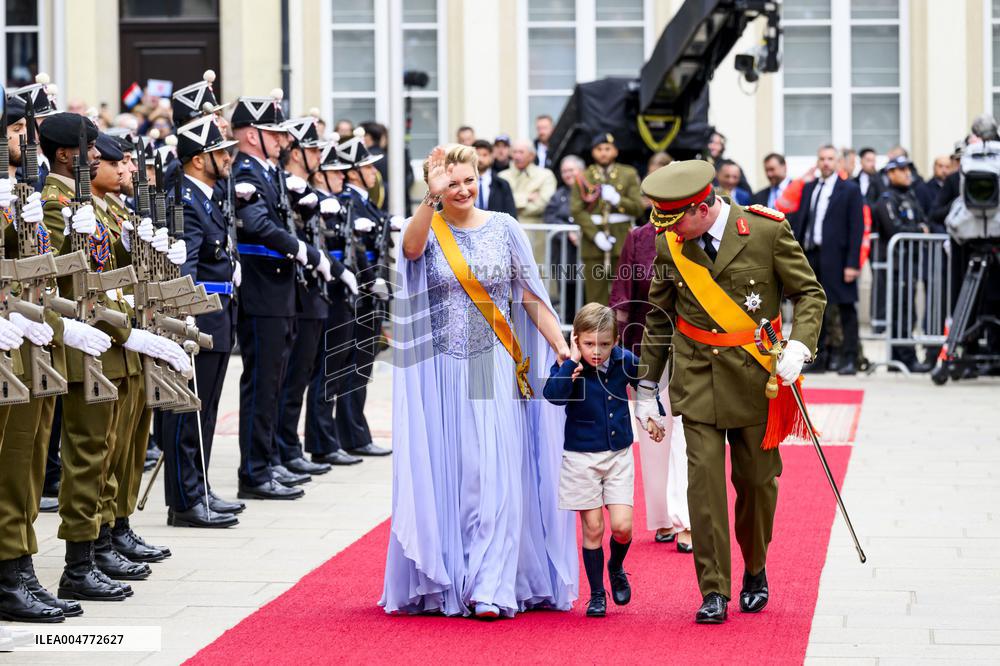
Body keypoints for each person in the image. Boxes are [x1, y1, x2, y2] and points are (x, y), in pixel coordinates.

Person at [381, 143, 577, 619]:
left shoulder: (504, 227)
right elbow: (410, 250)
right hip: (442, 370)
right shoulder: (427, 228)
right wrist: (430, 199)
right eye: (451, 183)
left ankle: (491, 584)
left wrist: (559, 343)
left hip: (492, 366)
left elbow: (529, 294)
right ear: (435, 187)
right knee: (457, 474)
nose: (463, 189)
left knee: (494, 472)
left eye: (469, 180)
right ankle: (456, 573)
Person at [634, 159, 825, 624]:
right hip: (697, 376)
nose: (668, 230)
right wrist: (646, 386)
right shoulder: (670, 243)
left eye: (675, 220)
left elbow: (809, 293)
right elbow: (659, 317)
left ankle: (755, 568)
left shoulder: (765, 231)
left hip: (757, 379)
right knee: (703, 487)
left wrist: (800, 345)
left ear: (702, 209)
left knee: (757, 484)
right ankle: (714, 588)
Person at [231, 91, 323, 500]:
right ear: (253, 135)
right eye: (274, 133)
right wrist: (301, 249)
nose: (283, 140)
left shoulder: (266, 172)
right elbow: (256, 223)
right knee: (262, 384)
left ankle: (266, 462)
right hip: (262, 290)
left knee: (274, 381)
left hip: (278, 290)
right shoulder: (247, 171)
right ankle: (254, 472)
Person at [159, 113, 245, 527]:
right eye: (219, 152)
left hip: (218, 313)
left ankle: (201, 487)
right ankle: (184, 500)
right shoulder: (186, 201)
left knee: (206, 411)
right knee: (188, 412)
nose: (228, 158)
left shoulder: (206, 198)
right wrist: (185, 321)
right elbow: (185, 269)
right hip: (199, 320)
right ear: (197, 159)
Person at [542, 303, 638, 618]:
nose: (596, 351)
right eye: (588, 344)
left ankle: (616, 565)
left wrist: (652, 414)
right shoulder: (570, 365)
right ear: (577, 340)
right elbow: (553, 396)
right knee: (593, 528)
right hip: (580, 457)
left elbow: (648, 381)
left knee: (622, 527)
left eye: (605, 344)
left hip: (618, 454)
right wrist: (571, 363)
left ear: (616, 341)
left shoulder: (625, 360)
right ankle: (597, 593)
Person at [609, 206, 692, 553]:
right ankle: (662, 518)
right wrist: (612, 350)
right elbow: (622, 296)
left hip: (694, 348)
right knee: (654, 432)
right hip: (647, 346)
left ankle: (686, 519)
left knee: (687, 432)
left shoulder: (695, 231)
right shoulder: (639, 238)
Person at [330, 128, 394, 458]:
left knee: (361, 366)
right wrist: (371, 280)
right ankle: (352, 436)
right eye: (367, 167)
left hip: (371, 292)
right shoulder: (349, 202)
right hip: (361, 293)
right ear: (353, 172)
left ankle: (354, 433)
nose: (373, 172)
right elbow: (354, 248)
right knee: (354, 367)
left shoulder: (364, 202)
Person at [303, 141, 363, 467]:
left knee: (335, 370)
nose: (343, 177)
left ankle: (327, 439)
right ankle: (321, 442)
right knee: (326, 370)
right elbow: (321, 248)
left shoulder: (338, 203)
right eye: (335, 172)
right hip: (329, 292)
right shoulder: (314, 204)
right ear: (320, 175)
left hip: (342, 294)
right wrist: (341, 271)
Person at [794, 145, 865, 375]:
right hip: (812, 255)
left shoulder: (850, 189)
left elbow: (856, 228)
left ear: (837, 162)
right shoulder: (809, 188)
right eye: (822, 158)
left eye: (830, 159)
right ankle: (819, 358)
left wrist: (852, 263)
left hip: (838, 257)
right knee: (816, 307)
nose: (826, 163)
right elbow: (802, 221)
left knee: (846, 308)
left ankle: (850, 358)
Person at [871, 156, 937, 373]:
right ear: (890, 173)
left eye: (908, 168)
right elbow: (895, 229)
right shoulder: (886, 199)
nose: (907, 173)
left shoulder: (910, 196)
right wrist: (918, 230)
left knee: (908, 311)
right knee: (901, 312)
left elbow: (925, 221)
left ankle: (901, 357)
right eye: (901, 169)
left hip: (911, 262)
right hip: (896, 265)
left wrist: (919, 228)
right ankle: (906, 357)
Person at [569, 132, 643, 305]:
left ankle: (622, 324)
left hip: (621, 241)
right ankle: (597, 325)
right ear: (593, 152)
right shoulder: (583, 176)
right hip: (593, 243)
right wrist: (595, 235)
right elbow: (577, 211)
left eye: (607, 148)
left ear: (615, 151)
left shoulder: (628, 173)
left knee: (624, 295)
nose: (603, 153)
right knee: (596, 298)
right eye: (599, 149)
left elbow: (638, 208)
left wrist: (617, 200)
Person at [499, 139, 557, 264]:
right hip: (507, 235)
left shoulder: (546, 175)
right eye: (514, 152)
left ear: (531, 155)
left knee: (537, 271)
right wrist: (526, 198)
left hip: (536, 237)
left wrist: (512, 202)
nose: (517, 156)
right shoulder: (502, 176)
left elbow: (543, 204)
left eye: (521, 152)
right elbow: (500, 204)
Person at [471, 139, 517, 218]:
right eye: (477, 155)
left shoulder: (502, 184)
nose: (480, 159)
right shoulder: (464, 184)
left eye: (485, 155)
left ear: (492, 156)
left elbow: (511, 214)